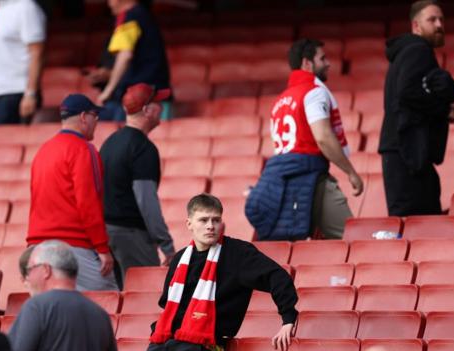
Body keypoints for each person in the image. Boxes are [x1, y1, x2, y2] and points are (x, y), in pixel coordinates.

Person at [245, 38, 363, 241]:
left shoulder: (279, 101)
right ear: (307, 63)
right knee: (352, 242)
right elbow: (324, 137)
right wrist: (351, 172)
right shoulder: (313, 92)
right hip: (311, 179)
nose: (328, 63)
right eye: (322, 58)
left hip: (283, 183)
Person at [149, 194, 297, 351]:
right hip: (167, 341)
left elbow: (277, 276)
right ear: (189, 224)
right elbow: (167, 304)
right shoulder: (180, 258)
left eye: (216, 220)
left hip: (207, 344)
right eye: (203, 220)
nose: (211, 226)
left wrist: (288, 319)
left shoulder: (238, 253)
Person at [27, 94, 117, 291]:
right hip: (72, 245)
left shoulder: (44, 150)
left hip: (38, 247)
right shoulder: (84, 149)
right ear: (84, 116)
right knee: (108, 301)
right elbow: (88, 202)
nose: (97, 121)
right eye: (95, 115)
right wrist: (102, 248)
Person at [380, 0, 454, 216]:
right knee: (418, 223)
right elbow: (407, 93)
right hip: (407, 151)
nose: (439, 25)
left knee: (416, 219)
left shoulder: (406, 52)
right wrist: (444, 109)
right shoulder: (418, 50)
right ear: (416, 26)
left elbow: (409, 94)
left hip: (402, 150)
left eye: (441, 19)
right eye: (432, 20)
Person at [100, 83, 175, 283]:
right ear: (147, 110)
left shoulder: (110, 143)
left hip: (106, 234)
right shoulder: (144, 149)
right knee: (145, 296)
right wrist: (166, 245)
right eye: (158, 102)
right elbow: (146, 200)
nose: (162, 106)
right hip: (131, 236)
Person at [8, 241, 117, 351]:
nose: (28, 277)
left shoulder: (36, 307)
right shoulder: (100, 314)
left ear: (46, 270)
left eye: (30, 269)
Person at [97, 0, 171, 121]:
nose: (109, 4)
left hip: (142, 99)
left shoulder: (129, 17)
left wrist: (108, 90)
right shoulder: (143, 15)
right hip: (153, 93)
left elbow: (125, 55)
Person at [0, 0, 46, 125]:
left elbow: (37, 52)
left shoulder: (26, 7)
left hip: (16, 93)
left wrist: (30, 94)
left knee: (5, 141)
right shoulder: (1, 8)